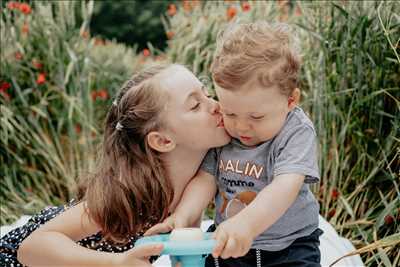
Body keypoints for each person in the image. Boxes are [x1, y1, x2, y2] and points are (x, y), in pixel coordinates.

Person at [0, 64, 231, 267]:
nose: (215, 105)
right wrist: (116, 262)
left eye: (207, 94)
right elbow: (30, 248)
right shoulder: (130, 193)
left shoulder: (198, 183)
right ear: (162, 140)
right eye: (195, 105)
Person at [146, 21, 322, 267]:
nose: (240, 127)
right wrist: (182, 216)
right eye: (230, 113)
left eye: (256, 117)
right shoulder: (225, 133)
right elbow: (206, 180)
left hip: (288, 248)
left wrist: (247, 224)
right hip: (227, 243)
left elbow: (285, 187)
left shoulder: (295, 131)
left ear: (290, 100)